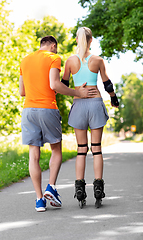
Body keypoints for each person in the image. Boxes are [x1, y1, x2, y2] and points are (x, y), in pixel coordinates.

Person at [19, 35, 97, 212]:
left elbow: (22, 91)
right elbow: (55, 84)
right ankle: (51, 187)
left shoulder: (25, 60)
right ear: (53, 46)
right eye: (56, 48)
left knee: (34, 156)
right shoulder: (53, 58)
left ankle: (39, 200)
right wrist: (78, 92)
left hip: (28, 111)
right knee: (56, 150)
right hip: (47, 109)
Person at [62, 27, 119, 207]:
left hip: (78, 105)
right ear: (91, 40)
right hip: (95, 104)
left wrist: (77, 91)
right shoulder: (98, 60)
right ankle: (98, 188)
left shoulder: (70, 61)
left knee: (81, 149)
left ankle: (79, 188)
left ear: (77, 40)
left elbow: (63, 86)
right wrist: (114, 99)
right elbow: (107, 83)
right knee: (96, 149)